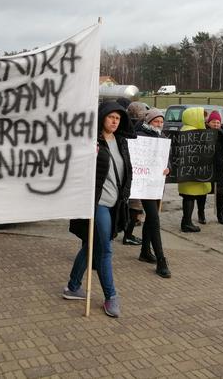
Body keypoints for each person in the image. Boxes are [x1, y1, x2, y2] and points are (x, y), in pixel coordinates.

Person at [63, 100, 133, 317]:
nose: (114, 121)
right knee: (105, 250)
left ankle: (72, 287)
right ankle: (111, 296)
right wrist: (86, 155)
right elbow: (73, 165)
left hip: (116, 203)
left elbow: (126, 170)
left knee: (91, 245)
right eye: (111, 116)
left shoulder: (121, 142)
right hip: (98, 203)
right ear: (102, 117)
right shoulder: (90, 141)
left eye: (118, 118)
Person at [133, 108, 171, 278]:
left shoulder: (162, 138)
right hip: (144, 184)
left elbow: (167, 159)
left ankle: (145, 252)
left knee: (151, 217)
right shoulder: (139, 136)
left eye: (161, 121)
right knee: (154, 219)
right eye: (156, 121)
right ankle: (161, 260)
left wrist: (168, 167)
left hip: (157, 184)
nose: (159, 124)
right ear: (149, 122)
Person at [178, 107, 211, 232]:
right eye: (203, 117)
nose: (205, 120)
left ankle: (186, 221)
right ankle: (187, 223)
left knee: (188, 196)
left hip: (188, 171)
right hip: (192, 172)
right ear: (195, 117)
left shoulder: (186, 129)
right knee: (189, 197)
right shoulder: (193, 131)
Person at [122, 101, 148, 246]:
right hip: (135, 172)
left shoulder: (125, 126)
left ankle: (127, 231)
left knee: (131, 204)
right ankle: (128, 234)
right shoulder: (138, 129)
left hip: (130, 171)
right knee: (134, 205)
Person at [206, 111, 223, 224]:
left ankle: (220, 214)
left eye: (218, 122)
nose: (216, 124)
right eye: (214, 122)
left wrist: (222, 134)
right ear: (209, 123)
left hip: (219, 167)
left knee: (219, 192)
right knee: (204, 191)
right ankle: (201, 213)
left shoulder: (222, 134)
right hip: (206, 166)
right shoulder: (203, 133)